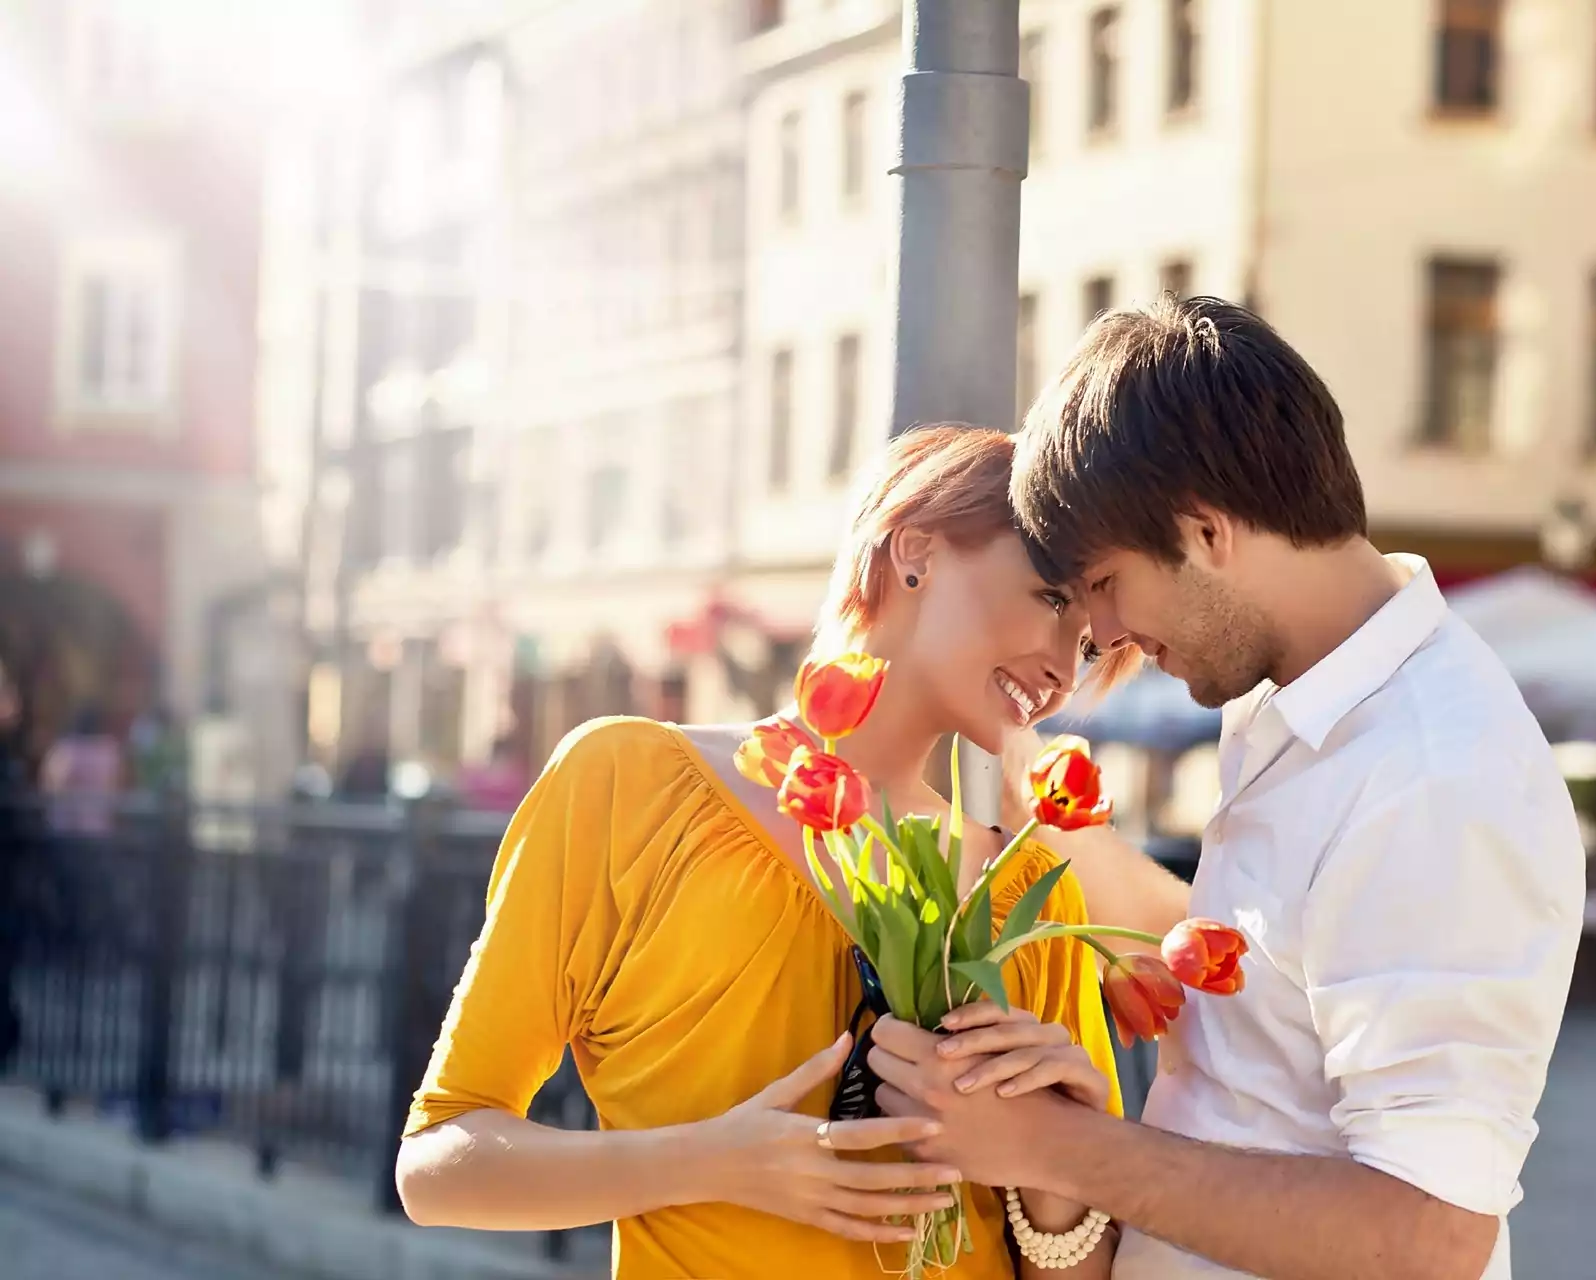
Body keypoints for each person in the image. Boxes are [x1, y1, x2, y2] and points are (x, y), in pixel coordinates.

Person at [868, 296, 1586, 1280]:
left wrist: (1053, 1147)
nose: (1104, 636)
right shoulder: (1291, 703)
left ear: (1205, 532)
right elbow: (1268, 1048)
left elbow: (1427, 1236)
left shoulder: (1433, 773)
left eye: (1104, 583)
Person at [395, 425, 1129, 1279]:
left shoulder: (1029, 892)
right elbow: (439, 1163)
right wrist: (715, 1162)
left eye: (1088, 645)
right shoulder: (629, 785)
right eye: (1051, 600)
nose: (1064, 670)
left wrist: (1054, 1163)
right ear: (917, 550)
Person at [40, 704, 122, 837]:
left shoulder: (64, 749)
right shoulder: (108, 751)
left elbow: (51, 785)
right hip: (94, 826)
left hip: (67, 826)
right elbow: (115, 786)